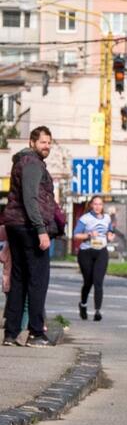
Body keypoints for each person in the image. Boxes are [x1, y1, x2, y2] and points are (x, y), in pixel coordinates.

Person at [2, 126, 59, 348]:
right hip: (28, 227)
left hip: (16, 225)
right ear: (33, 142)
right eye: (43, 142)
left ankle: (11, 333)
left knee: (19, 279)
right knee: (38, 280)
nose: (47, 146)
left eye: (49, 142)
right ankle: (36, 333)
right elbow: (30, 198)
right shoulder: (32, 163)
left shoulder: (20, 161)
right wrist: (41, 229)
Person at [73, 195, 115, 321]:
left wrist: (110, 235)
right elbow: (76, 236)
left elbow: (110, 231)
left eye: (100, 204)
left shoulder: (107, 218)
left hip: (101, 252)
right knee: (88, 282)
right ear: (91, 205)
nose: (97, 207)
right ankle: (83, 304)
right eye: (95, 204)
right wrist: (89, 234)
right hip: (86, 252)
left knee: (98, 282)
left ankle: (97, 311)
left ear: (102, 206)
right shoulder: (85, 219)